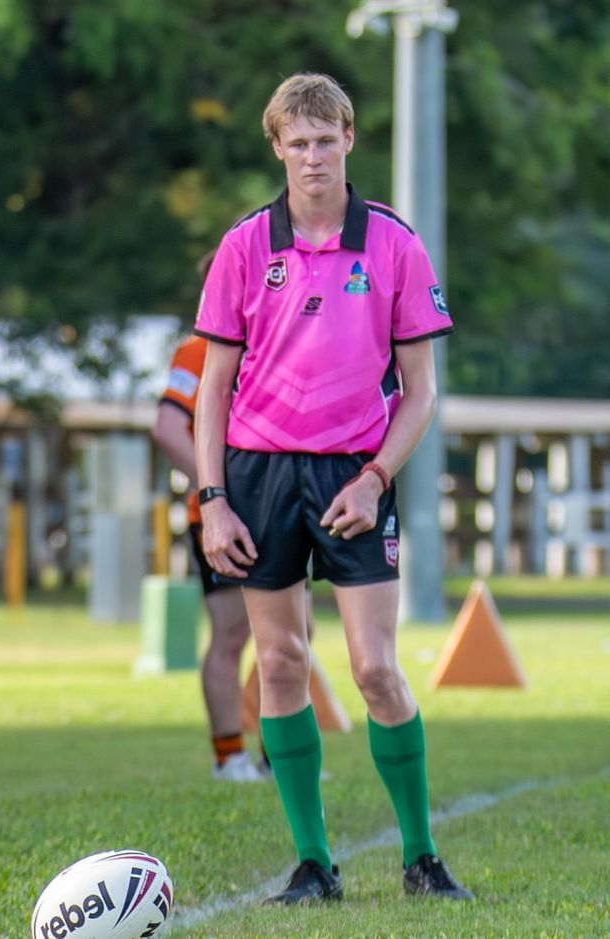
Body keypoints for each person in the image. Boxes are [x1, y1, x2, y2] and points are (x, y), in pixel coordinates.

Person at [194, 73, 470, 904]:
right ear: (277, 148)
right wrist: (213, 499)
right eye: (297, 143)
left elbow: (421, 392)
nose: (313, 157)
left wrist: (377, 475)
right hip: (259, 475)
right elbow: (210, 390)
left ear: (349, 139)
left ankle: (421, 856)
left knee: (375, 668)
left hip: (354, 475)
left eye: (327, 140)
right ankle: (313, 863)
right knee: (278, 662)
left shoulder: (392, 243)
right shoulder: (245, 245)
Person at [152, 336, 269, 782]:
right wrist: (217, 489)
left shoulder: (272, 342)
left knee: (295, 634)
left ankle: (276, 757)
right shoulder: (198, 349)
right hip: (221, 517)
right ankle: (229, 756)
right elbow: (167, 428)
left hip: (272, 509)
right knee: (233, 633)